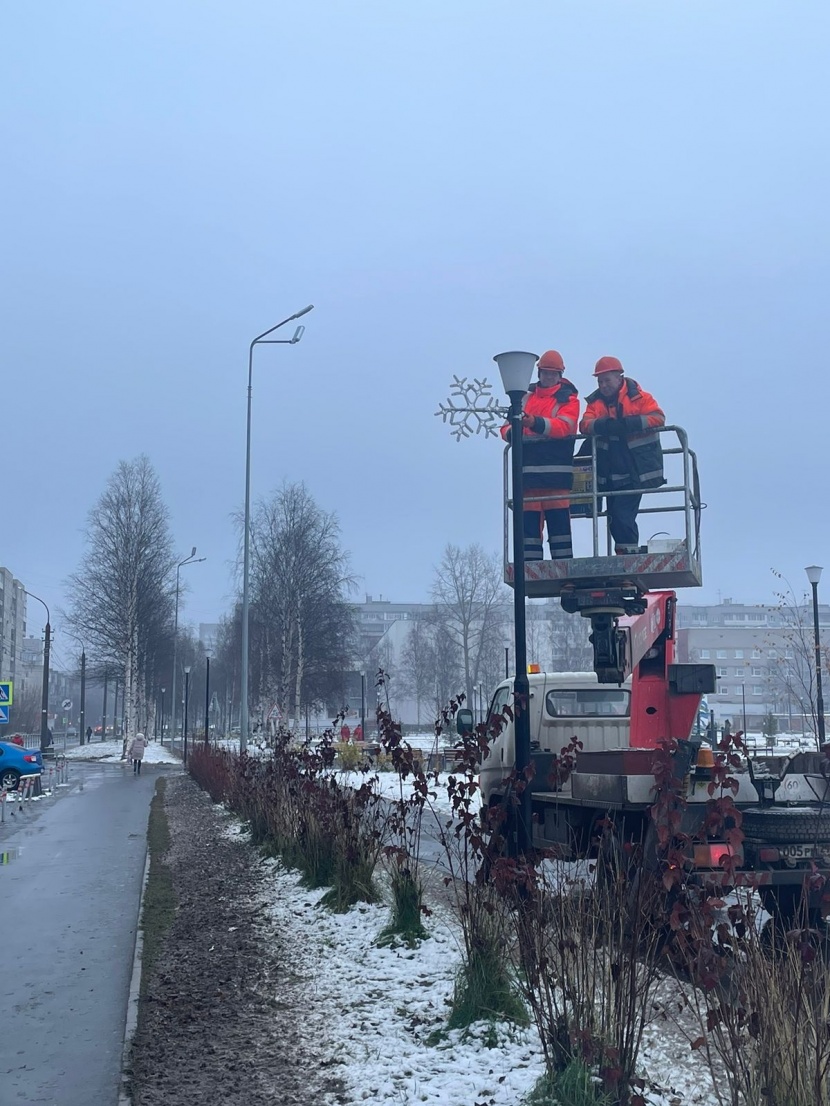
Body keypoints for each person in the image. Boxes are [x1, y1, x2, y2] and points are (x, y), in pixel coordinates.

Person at [579, 356, 665, 554]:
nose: (603, 385)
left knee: (622, 516)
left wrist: (630, 424)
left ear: (619, 378)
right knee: (615, 519)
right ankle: (625, 557)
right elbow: (585, 425)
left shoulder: (640, 398)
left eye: (607, 380)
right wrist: (605, 425)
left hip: (635, 470)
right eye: (600, 381)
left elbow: (658, 417)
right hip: (609, 472)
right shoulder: (595, 403)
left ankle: (628, 558)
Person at [500, 350, 579, 560]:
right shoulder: (524, 397)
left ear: (560, 375)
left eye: (553, 373)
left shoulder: (568, 399)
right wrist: (513, 433)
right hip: (527, 476)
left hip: (555, 477)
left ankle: (564, 572)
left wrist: (532, 423)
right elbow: (505, 429)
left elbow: (564, 427)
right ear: (539, 373)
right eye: (545, 372)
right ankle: (529, 570)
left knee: (559, 529)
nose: (549, 377)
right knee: (528, 531)